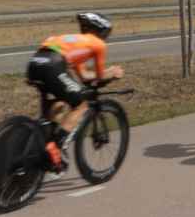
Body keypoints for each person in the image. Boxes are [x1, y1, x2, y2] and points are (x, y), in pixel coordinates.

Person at [27, 12, 124, 173]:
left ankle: (41, 141)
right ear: (101, 32)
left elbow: (85, 77)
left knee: (59, 103)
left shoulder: (74, 42)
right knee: (81, 104)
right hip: (53, 65)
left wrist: (98, 76)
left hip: (36, 63)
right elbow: (98, 77)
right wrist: (112, 72)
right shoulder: (98, 44)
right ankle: (55, 148)